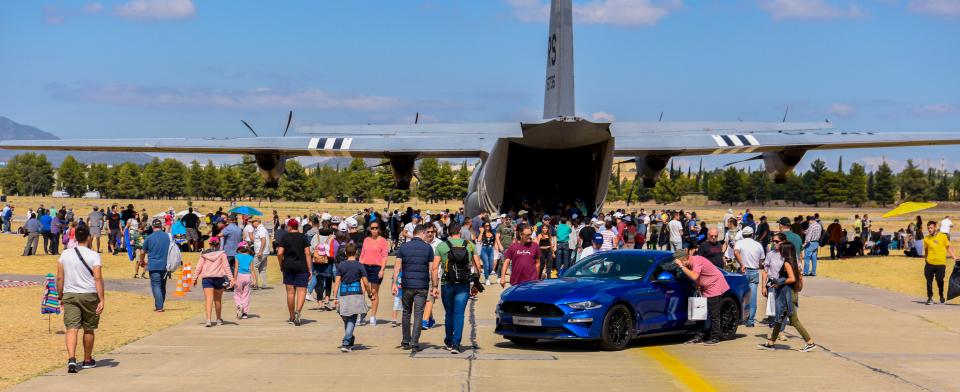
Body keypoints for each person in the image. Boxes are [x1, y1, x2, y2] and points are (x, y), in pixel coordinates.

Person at [56, 225, 104, 373]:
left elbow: (59, 277)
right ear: (89, 237)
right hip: (89, 294)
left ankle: (71, 359)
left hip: (70, 294)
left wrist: (60, 295)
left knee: (72, 328)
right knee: (89, 328)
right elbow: (97, 278)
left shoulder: (65, 254)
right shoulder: (94, 255)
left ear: (75, 237)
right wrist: (101, 299)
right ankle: (87, 359)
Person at [758, 242, 817, 352]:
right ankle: (771, 343)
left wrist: (778, 282)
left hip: (788, 295)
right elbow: (799, 277)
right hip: (791, 293)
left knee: (794, 320)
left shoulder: (787, 263)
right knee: (779, 320)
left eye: (781, 250)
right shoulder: (794, 262)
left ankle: (810, 342)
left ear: (785, 251)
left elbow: (792, 278)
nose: (779, 252)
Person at [435, 222, 482, 354]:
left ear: (448, 233)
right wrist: (477, 284)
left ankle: (449, 340)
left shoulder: (442, 246)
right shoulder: (469, 245)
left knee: (449, 313)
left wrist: (434, 285)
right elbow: (478, 266)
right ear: (460, 232)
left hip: (447, 284)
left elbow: (434, 268)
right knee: (459, 314)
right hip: (463, 284)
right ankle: (456, 344)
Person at [392, 224, 437, 352]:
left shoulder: (403, 247)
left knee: (406, 312)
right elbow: (432, 269)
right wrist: (434, 286)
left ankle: (406, 341)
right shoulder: (428, 248)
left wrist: (394, 283)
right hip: (422, 286)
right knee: (418, 314)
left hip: (407, 285)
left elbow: (397, 267)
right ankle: (415, 343)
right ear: (422, 233)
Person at [675, 247, 729, 346]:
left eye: (680, 263)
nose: (679, 266)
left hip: (714, 286)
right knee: (700, 314)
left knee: (714, 314)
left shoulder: (696, 261)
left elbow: (695, 276)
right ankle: (699, 336)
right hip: (704, 287)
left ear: (684, 260)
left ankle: (714, 338)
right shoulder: (689, 262)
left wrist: (682, 267)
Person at [332, 243, 374, 352]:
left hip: (344, 295)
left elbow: (337, 282)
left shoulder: (341, 265)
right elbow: (365, 282)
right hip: (356, 295)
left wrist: (335, 297)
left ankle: (349, 340)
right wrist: (369, 293)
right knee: (351, 319)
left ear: (346, 253)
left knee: (347, 318)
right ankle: (346, 343)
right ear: (356, 253)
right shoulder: (360, 265)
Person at [277, 218, 312, 326]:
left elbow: (279, 253)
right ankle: (298, 312)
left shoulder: (285, 237)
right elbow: (307, 253)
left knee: (290, 293)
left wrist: (281, 264)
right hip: (302, 267)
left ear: (290, 227)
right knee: (302, 291)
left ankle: (292, 316)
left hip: (288, 266)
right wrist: (309, 269)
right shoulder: (303, 237)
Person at [359, 220, 389, 326]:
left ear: (379, 229)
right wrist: (359, 267)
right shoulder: (366, 240)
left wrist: (382, 269)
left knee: (374, 292)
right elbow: (362, 254)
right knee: (361, 291)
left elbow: (385, 256)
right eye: (372, 228)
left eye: (376, 228)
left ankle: (373, 316)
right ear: (369, 229)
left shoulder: (383, 241)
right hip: (365, 267)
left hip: (377, 268)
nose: (374, 230)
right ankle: (361, 314)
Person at [193, 247, 234, 326]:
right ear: (218, 245)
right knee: (218, 300)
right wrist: (231, 279)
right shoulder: (222, 254)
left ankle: (208, 320)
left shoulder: (204, 255)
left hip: (207, 279)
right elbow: (226, 267)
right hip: (219, 278)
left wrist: (195, 278)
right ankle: (218, 319)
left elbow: (198, 267)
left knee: (208, 300)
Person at [734, 226, 764, 327]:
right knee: (753, 297)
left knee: (741, 296)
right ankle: (750, 320)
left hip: (742, 271)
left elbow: (736, 252)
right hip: (754, 271)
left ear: (743, 234)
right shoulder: (758, 245)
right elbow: (761, 261)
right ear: (752, 234)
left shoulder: (739, 243)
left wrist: (742, 264)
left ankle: (740, 318)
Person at [140, 219, 171, 312]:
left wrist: (141, 261)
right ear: (161, 226)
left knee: (156, 285)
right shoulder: (167, 237)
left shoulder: (149, 237)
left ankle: (159, 306)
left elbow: (142, 251)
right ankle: (161, 304)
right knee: (162, 285)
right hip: (165, 265)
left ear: (152, 227)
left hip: (154, 265)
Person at [922, 221, 956, 305]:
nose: (929, 230)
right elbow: (926, 250)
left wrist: (955, 257)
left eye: (931, 228)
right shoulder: (926, 238)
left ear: (935, 227)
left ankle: (941, 294)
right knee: (929, 280)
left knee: (940, 280)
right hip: (929, 263)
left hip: (940, 264)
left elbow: (948, 247)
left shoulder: (943, 236)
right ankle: (930, 298)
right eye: (928, 228)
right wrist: (926, 259)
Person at [760, 233, 787, 325]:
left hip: (783, 283)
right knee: (771, 307)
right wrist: (763, 286)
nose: (774, 243)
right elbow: (765, 271)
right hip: (771, 283)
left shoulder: (788, 254)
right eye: (773, 241)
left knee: (782, 308)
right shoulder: (770, 254)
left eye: (776, 241)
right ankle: (772, 328)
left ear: (783, 242)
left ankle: (780, 331)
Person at [233, 245, 257, 319]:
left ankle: (239, 305)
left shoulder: (237, 256)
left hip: (239, 276)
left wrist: (234, 279)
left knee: (237, 293)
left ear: (240, 249)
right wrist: (255, 280)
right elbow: (252, 269)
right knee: (246, 294)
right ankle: (245, 313)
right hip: (248, 276)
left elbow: (236, 268)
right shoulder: (250, 257)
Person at [495, 215, 516, 282]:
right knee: (502, 262)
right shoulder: (500, 226)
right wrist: (499, 245)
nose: (508, 220)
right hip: (503, 247)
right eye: (507, 219)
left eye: (509, 219)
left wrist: (513, 245)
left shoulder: (512, 227)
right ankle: (499, 276)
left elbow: (513, 238)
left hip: (510, 247)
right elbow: (497, 237)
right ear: (504, 219)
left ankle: (513, 277)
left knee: (511, 263)